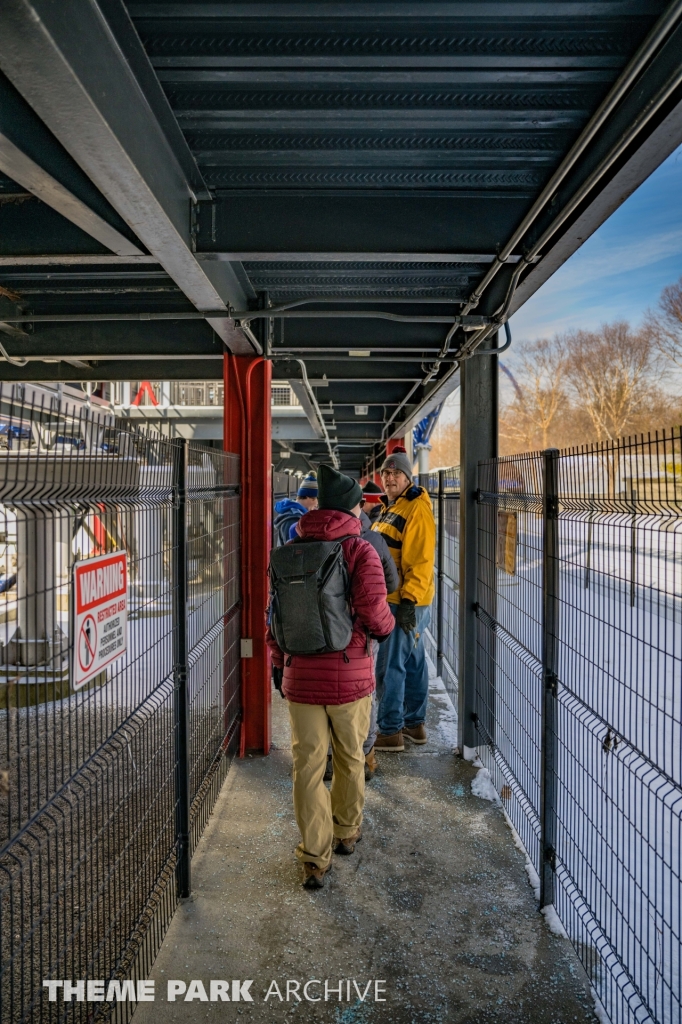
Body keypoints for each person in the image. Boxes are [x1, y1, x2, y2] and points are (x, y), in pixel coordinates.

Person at [266, 464, 394, 890]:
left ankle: (315, 858)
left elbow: (274, 618)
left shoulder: (291, 546)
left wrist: (280, 661)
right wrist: (387, 629)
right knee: (350, 757)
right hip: (350, 676)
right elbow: (376, 614)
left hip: (300, 678)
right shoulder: (360, 550)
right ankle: (346, 832)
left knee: (306, 767)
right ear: (354, 508)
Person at [320, 494, 399, 782]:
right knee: (362, 693)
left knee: (320, 693)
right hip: (357, 637)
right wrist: (383, 627)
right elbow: (390, 584)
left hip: (313, 636)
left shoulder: (300, 538)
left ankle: (326, 757)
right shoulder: (372, 541)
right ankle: (364, 755)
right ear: (357, 507)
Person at [371, 446, 436, 751]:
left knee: (390, 665)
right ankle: (413, 724)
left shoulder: (415, 509)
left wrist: (409, 600)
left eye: (396, 472)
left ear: (408, 476)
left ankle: (390, 729)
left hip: (404, 600)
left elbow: (421, 559)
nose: (390, 477)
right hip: (401, 598)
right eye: (386, 472)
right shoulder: (393, 506)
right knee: (413, 662)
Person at [273, 471, 317, 546]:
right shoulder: (293, 519)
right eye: (317, 499)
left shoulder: (295, 515)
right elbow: (291, 551)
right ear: (310, 497)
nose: (317, 504)